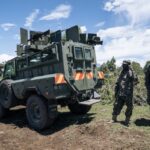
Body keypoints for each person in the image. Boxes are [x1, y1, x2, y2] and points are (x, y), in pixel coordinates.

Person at [112, 60, 138, 126]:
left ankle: (127, 120)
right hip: (120, 93)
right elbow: (118, 82)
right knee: (116, 105)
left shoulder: (131, 72)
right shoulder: (121, 72)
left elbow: (136, 81)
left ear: (128, 65)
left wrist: (132, 72)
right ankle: (114, 119)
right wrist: (116, 91)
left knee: (129, 107)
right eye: (123, 64)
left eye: (125, 64)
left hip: (128, 94)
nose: (123, 65)